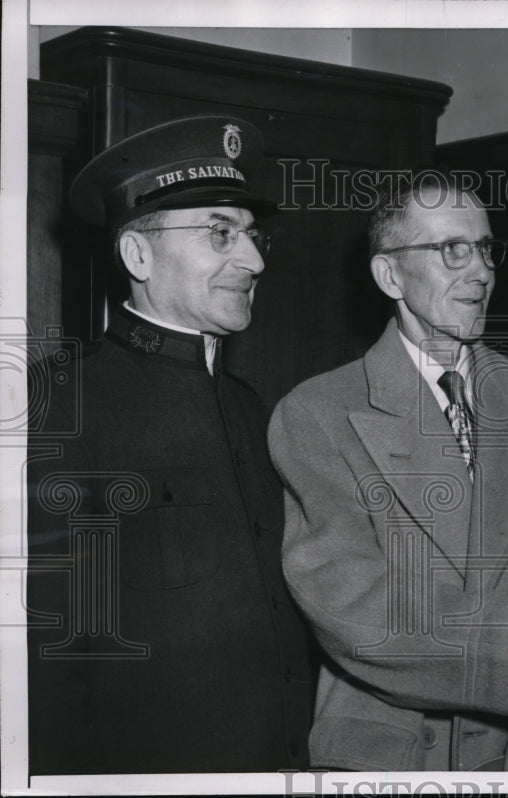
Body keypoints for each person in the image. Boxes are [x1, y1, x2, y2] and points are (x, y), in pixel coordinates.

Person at [268, 172, 508, 771]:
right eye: (451, 250)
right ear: (390, 274)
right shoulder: (317, 415)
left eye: (486, 249)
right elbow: (353, 608)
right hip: (391, 763)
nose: (481, 272)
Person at [27, 116, 315, 774]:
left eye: (251, 234)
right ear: (138, 255)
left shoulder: (252, 408)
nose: (255, 260)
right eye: (220, 232)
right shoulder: (61, 406)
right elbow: (48, 665)